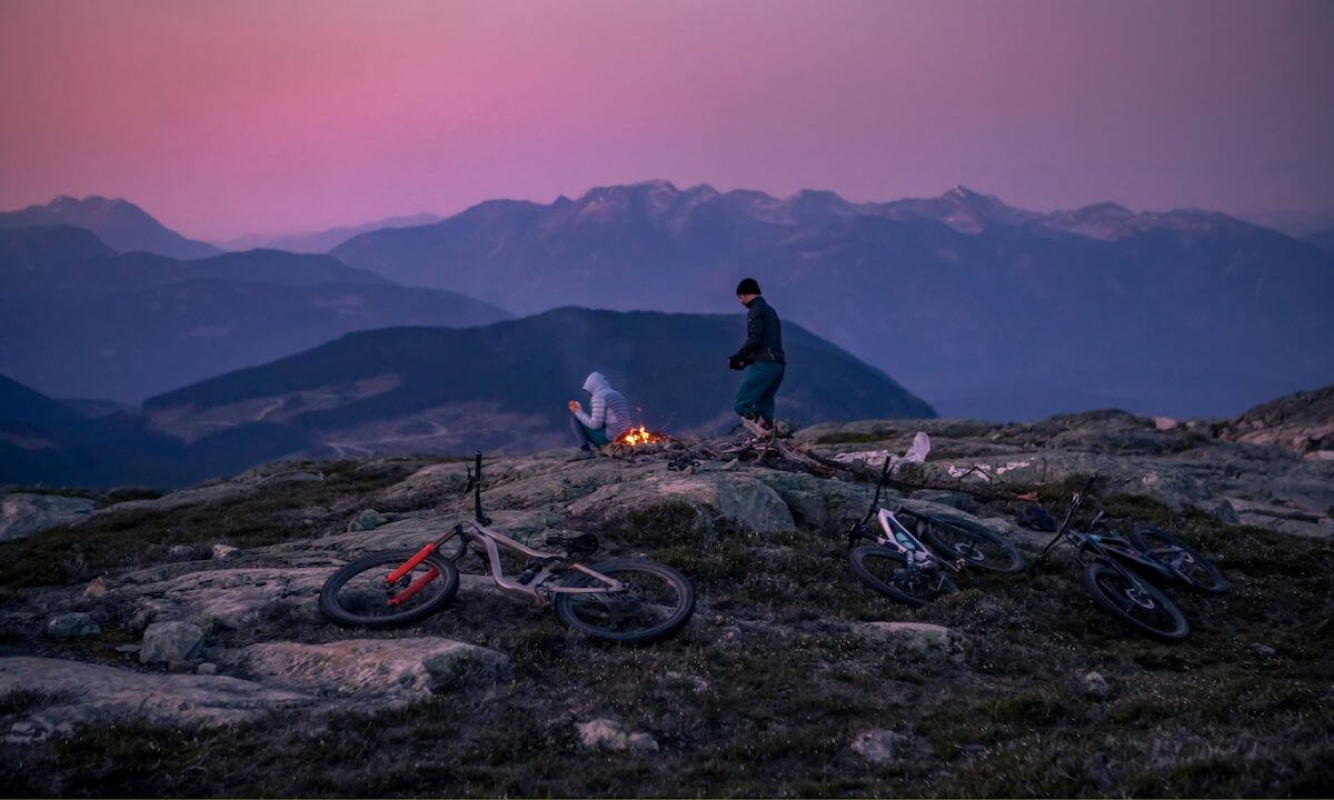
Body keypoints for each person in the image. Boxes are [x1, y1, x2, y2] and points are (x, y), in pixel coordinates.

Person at [728, 277, 785, 431]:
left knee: (742, 404)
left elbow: (755, 340)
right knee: (764, 406)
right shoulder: (770, 310)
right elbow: (766, 340)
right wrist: (746, 362)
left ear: (745, 294)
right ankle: (768, 443)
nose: (741, 302)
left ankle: (763, 435)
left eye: (740, 297)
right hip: (778, 365)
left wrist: (738, 357)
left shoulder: (755, 310)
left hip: (764, 364)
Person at [568, 371, 632, 454]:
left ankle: (585, 450)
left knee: (575, 419)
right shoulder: (617, 394)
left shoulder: (599, 397)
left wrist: (578, 412)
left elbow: (595, 425)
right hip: (627, 434)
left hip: (611, 437)